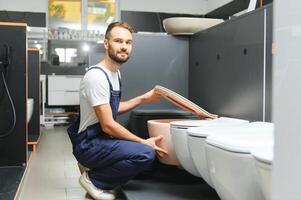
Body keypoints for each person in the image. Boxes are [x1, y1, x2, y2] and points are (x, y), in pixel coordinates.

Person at [67, 21, 168, 200]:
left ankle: (97, 168)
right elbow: (107, 125)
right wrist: (144, 142)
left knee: (151, 163)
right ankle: (93, 179)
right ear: (106, 44)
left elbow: (111, 109)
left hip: (101, 139)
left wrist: (144, 98)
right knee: (146, 153)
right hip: (89, 144)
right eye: (118, 41)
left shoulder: (115, 73)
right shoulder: (97, 76)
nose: (124, 47)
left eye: (128, 42)